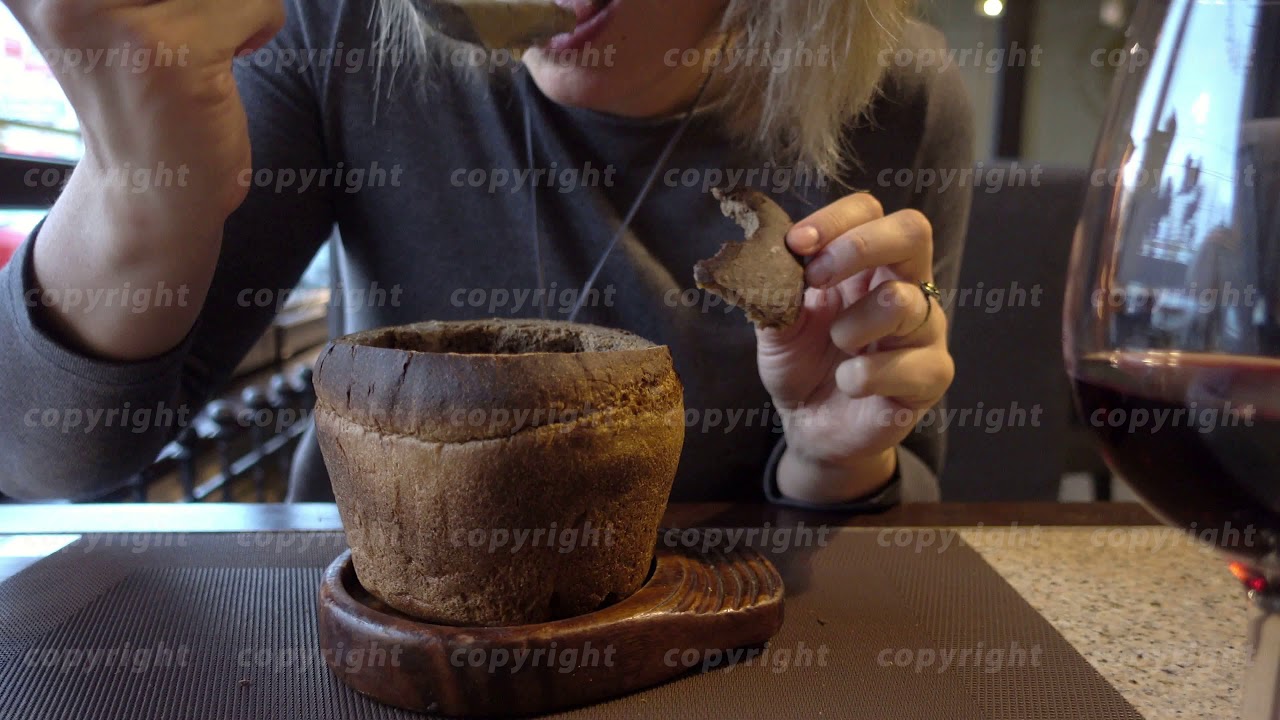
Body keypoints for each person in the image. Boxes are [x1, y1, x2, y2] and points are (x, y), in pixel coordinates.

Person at [0, 0, 973, 507]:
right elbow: (43, 460)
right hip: (363, 628)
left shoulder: (896, 97)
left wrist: (826, 456)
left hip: (713, 643)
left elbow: (896, 496)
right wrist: (140, 190)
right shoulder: (347, 29)